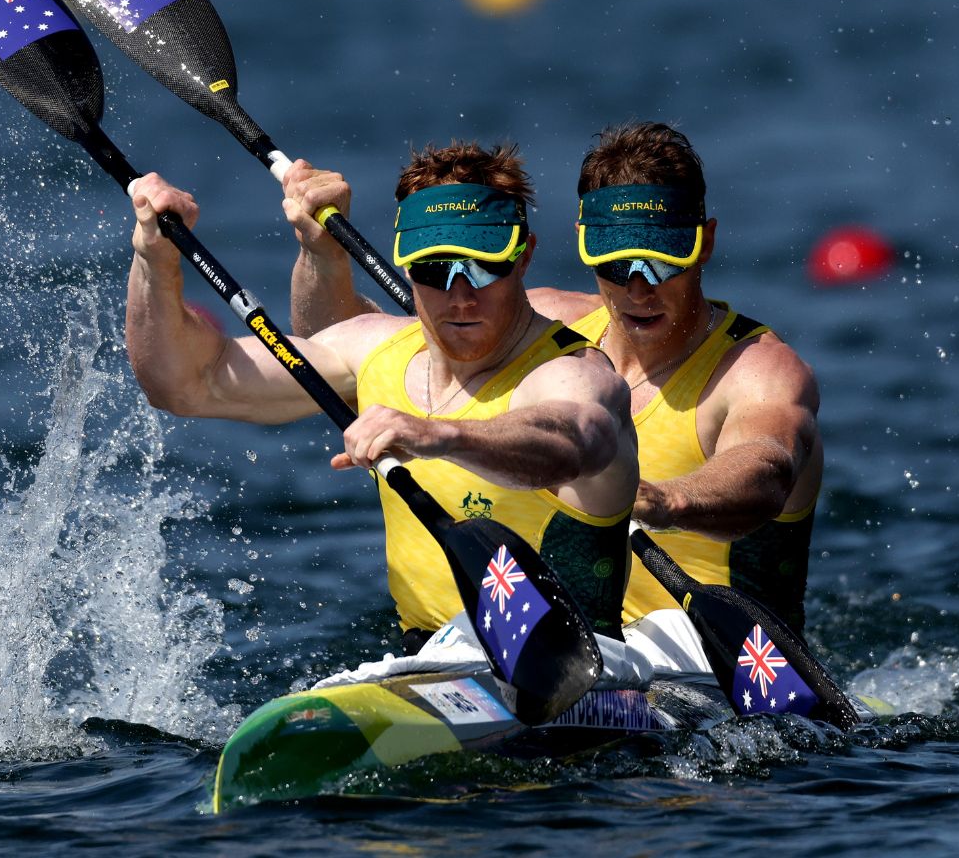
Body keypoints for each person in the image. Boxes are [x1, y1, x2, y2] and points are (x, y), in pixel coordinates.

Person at [283, 122, 822, 633]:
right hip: (571, 646)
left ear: (704, 242)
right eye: (616, 263)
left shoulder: (759, 370)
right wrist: (321, 253)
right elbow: (345, 353)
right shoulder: (543, 327)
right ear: (583, 242)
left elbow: (764, 473)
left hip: (717, 661)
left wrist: (663, 501)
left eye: (662, 263)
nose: (638, 290)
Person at [126, 141, 639, 654]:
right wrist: (154, 258)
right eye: (435, 270)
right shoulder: (372, 347)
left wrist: (439, 435)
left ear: (523, 256)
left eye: (484, 266)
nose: (461, 296)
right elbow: (187, 383)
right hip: (428, 658)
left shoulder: (570, 370)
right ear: (405, 262)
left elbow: (577, 438)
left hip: (578, 667)